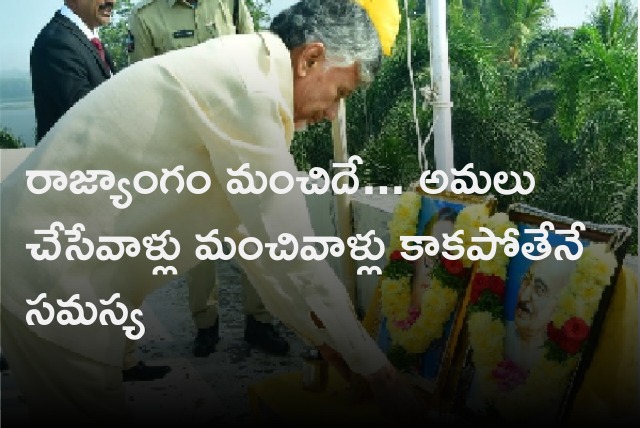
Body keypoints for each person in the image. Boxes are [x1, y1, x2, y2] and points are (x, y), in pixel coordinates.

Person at [0, 0, 421, 425]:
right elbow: (293, 250)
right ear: (309, 59)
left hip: (45, 264)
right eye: (339, 94)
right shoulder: (251, 90)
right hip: (51, 273)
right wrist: (380, 373)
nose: (332, 113)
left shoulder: (245, 73)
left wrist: (324, 338)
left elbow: (258, 247)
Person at [127, 0, 289, 358]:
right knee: (199, 242)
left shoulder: (229, 4)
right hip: (189, 150)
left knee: (256, 233)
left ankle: (259, 322)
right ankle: (206, 325)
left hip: (239, 140)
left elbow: (257, 62)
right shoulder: (147, 17)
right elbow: (141, 88)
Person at [28, 0, 171, 382]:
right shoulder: (57, 42)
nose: (113, 1)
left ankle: (120, 360)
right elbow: (87, 113)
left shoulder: (89, 39)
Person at [505, 256, 576, 371]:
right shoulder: (496, 336)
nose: (524, 296)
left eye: (540, 289)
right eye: (526, 279)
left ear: (560, 306)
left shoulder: (558, 364)